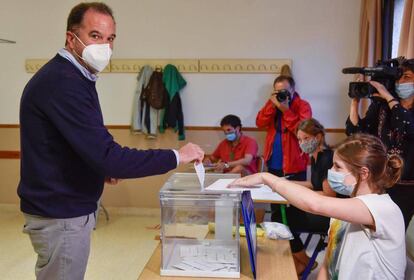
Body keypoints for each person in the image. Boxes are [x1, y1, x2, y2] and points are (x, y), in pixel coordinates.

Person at [17, 3, 204, 279]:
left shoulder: (74, 77)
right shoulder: (63, 82)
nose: (105, 46)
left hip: (62, 210)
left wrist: (97, 168)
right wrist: (177, 156)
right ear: (71, 38)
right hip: (61, 215)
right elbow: (108, 156)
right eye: (95, 36)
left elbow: (72, 145)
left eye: (110, 38)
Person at [230, 133, 406, 279]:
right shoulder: (343, 211)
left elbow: (315, 204)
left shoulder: (383, 208)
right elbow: (328, 264)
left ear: (364, 173)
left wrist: (266, 178)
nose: (331, 171)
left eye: (337, 167)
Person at [346, 58, 414, 230]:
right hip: (380, 181)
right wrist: (355, 102)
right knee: (374, 230)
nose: (401, 82)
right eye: (399, 78)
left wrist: (388, 96)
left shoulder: (393, 105)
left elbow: (407, 127)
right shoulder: (382, 106)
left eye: (407, 77)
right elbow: (357, 133)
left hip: (407, 188)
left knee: (395, 231)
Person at [284, 118, 337, 274]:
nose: (302, 143)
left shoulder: (327, 158)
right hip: (321, 208)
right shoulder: (315, 156)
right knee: (283, 214)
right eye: (300, 139)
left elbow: (329, 195)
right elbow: (315, 185)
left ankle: (307, 262)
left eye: (306, 138)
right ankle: (300, 264)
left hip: (329, 214)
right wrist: (288, 184)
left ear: (319, 136)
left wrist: (298, 192)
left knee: (283, 220)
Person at [256, 74, 312, 222]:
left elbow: (303, 131)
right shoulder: (272, 104)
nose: (282, 94)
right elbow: (260, 123)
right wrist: (271, 105)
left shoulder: (303, 106)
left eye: (285, 91)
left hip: (295, 163)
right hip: (274, 161)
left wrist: (285, 110)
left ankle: (294, 239)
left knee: (295, 202)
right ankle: (277, 233)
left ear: (293, 90)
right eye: (278, 91)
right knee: (274, 202)